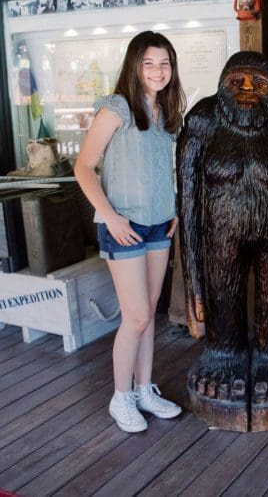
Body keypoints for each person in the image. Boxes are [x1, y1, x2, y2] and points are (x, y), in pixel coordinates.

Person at [74, 31, 187, 433]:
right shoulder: (118, 107)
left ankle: (144, 390)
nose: (158, 71)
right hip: (122, 225)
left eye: (165, 63)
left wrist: (173, 209)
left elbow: (160, 169)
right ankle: (120, 397)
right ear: (134, 66)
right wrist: (110, 216)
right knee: (136, 316)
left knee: (149, 314)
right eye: (149, 63)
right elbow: (83, 167)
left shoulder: (165, 112)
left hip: (159, 223)